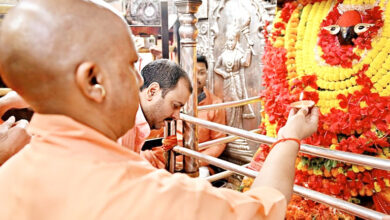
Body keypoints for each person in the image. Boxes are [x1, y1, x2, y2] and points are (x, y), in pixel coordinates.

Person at [0, 1, 319, 219]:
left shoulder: (9, 176)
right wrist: (290, 134)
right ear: (93, 80)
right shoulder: (146, 196)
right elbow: (264, 208)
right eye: (130, 66)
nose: (139, 79)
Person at [119, 59, 192, 168]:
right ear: (152, 91)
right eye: (175, 106)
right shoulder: (123, 123)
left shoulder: (135, 120)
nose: (176, 117)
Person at [195, 55, 227, 177]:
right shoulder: (175, 100)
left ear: (206, 75)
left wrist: (197, 161)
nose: (196, 77)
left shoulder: (215, 104)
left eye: (201, 73)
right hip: (175, 159)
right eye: (192, 72)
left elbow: (219, 142)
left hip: (201, 164)